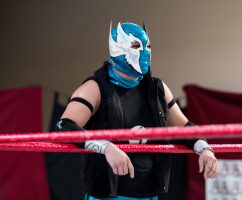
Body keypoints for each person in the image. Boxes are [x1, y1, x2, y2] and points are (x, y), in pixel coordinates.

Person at [55, 22, 219, 200]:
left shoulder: (157, 89)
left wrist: (205, 149)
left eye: (148, 46)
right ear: (117, 48)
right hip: (107, 194)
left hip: (148, 194)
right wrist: (106, 147)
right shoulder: (95, 88)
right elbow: (64, 126)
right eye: (135, 46)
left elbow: (184, 127)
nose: (144, 52)